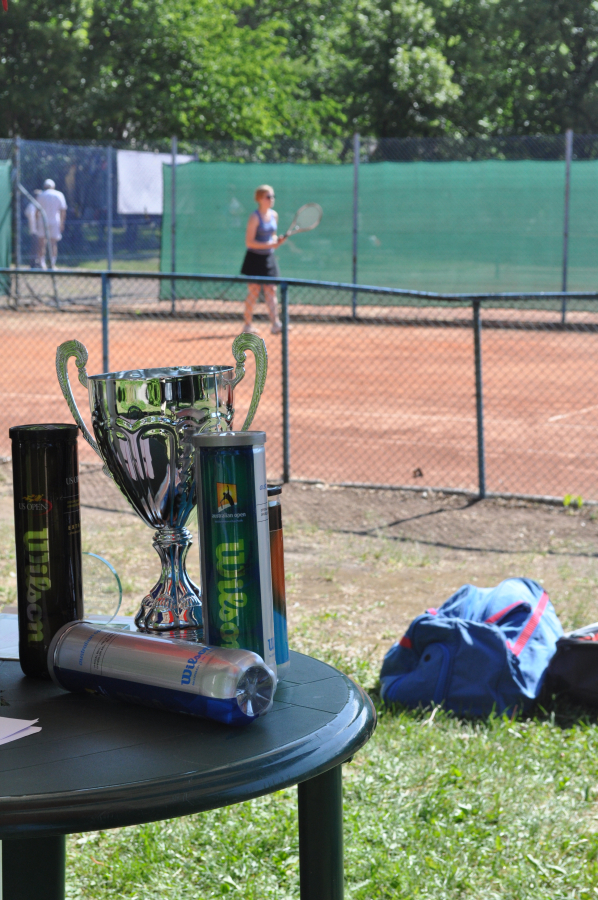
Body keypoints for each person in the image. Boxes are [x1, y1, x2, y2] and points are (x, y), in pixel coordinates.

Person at [241, 185, 286, 334]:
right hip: (254, 258)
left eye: (273, 196)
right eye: (268, 197)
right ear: (260, 199)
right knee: (254, 292)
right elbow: (249, 242)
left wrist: (277, 241)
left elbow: (272, 236)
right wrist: (270, 244)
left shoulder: (274, 215)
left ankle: (276, 324)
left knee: (271, 290)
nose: (271, 199)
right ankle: (247, 325)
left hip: (269, 257)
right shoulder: (254, 217)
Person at [36, 179, 67, 269]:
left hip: (42, 221)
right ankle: (52, 264)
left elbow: (37, 211)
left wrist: (37, 222)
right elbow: (63, 210)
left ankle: (42, 264)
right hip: (55, 221)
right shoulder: (59, 194)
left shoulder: (41, 195)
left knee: (41, 243)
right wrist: (62, 223)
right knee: (53, 243)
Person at [24, 189, 43, 268]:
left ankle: (37, 262)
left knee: (38, 247)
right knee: (35, 247)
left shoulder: (37, 205)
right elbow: (31, 217)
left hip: (38, 230)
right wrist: (35, 227)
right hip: (35, 230)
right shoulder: (32, 205)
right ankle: (33, 263)